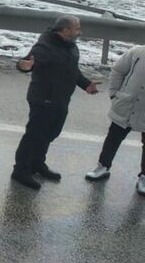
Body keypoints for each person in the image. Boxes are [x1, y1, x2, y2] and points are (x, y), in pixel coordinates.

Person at [12, 16, 98, 190]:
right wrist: (24, 66)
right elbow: (27, 62)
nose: (80, 32)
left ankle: (37, 163)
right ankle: (20, 171)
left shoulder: (71, 46)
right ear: (66, 30)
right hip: (43, 99)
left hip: (61, 99)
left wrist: (86, 84)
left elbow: (73, 70)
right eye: (78, 28)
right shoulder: (45, 46)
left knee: (50, 134)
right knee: (34, 135)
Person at [85, 43, 145, 194]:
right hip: (127, 104)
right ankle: (102, 166)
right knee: (113, 137)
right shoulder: (137, 52)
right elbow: (118, 71)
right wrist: (114, 93)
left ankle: (144, 176)